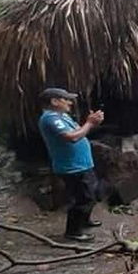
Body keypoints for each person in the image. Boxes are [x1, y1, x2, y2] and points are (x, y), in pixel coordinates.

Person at [38, 88, 105, 242]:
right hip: (72, 166)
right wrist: (89, 123)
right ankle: (73, 231)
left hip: (82, 164)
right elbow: (72, 137)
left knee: (91, 192)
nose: (69, 102)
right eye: (65, 99)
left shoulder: (62, 116)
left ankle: (84, 220)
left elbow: (79, 131)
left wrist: (91, 122)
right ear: (54, 101)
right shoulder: (50, 119)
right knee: (83, 198)